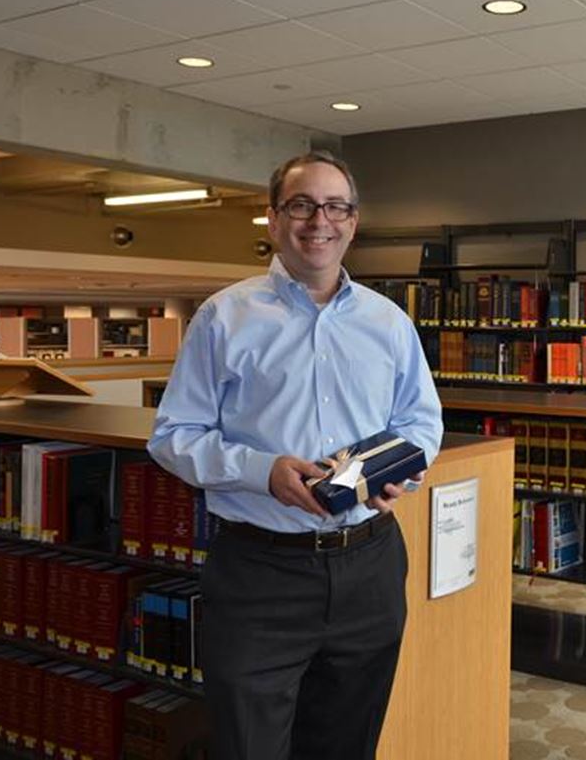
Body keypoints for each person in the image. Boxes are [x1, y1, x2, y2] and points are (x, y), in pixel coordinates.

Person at [148, 150, 443, 760]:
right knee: (249, 746)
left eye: (335, 206)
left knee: (346, 743)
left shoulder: (388, 322)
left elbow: (421, 421)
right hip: (260, 572)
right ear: (273, 219)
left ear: (353, 221)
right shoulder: (223, 317)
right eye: (302, 205)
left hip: (370, 566)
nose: (319, 221)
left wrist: (399, 474)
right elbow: (174, 435)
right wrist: (263, 472)